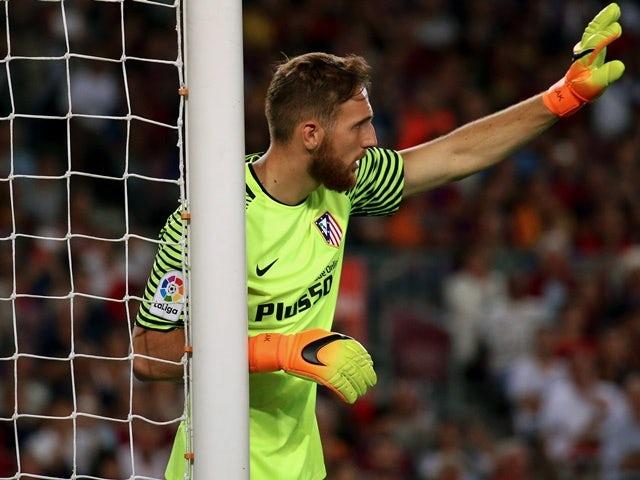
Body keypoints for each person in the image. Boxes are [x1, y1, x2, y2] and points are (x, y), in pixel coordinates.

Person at [132, 3, 625, 479]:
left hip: (301, 467)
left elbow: (454, 155)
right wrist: (283, 352)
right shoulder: (208, 223)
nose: (371, 138)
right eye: (359, 125)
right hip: (215, 464)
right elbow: (148, 354)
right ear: (310, 134)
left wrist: (561, 97)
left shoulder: (342, 184)